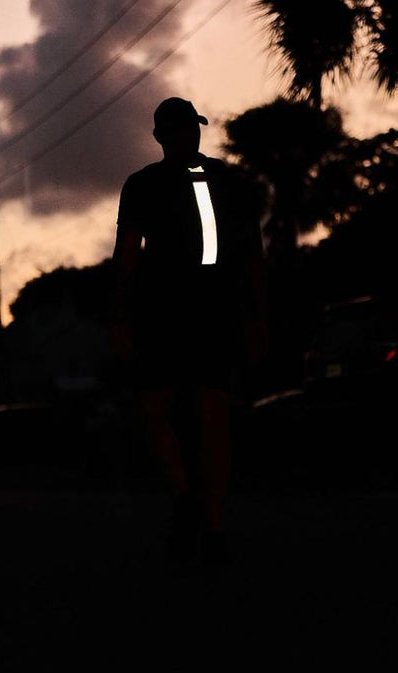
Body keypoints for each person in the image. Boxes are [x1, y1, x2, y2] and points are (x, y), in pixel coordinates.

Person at [111, 97, 267, 564]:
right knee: (163, 410)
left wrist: (258, 316)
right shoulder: (146, 184)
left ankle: (208, 518)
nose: (187, 136)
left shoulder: (228, 180)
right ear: (160, 136)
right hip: (168, 311)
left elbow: (254, 254)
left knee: (208, 414)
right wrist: (121, 316)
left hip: (207, 311)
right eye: (178, 130)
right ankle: (191, 501)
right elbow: (127, 254)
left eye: (190, 128)